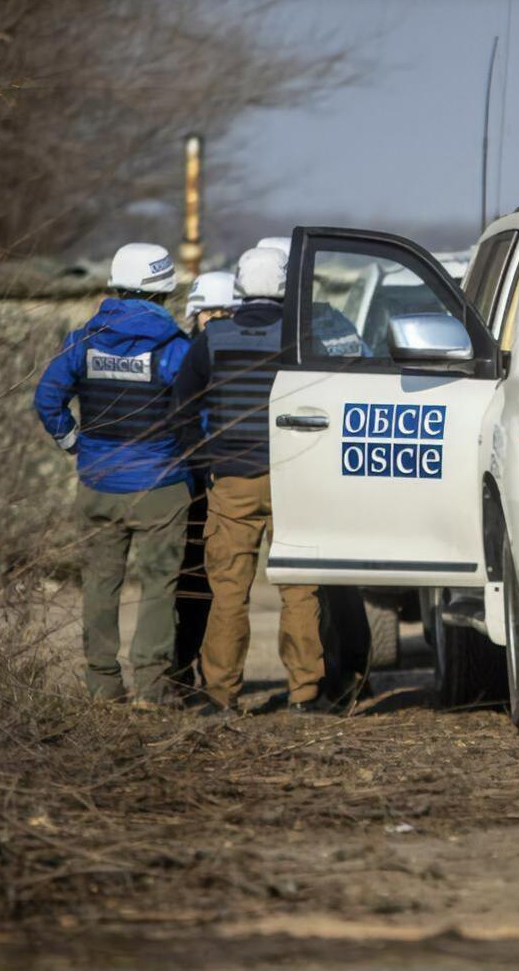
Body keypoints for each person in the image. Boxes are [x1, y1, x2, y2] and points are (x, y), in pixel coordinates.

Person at [172, 246, 330, 717]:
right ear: (286, 285)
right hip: (293, 480)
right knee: (300, 590)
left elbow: (181, 408)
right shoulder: (301, 335)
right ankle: (306, 693)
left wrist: (204, 463)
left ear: (239, 285)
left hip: (231, 482)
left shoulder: (213, 338)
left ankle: (221, 695)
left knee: (227, 592)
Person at [33, 242, 192, 705]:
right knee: (159, 586)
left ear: (115, 287)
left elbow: (47, 400)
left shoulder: (83, 340)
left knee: (101, 585)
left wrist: (74, 443)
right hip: (161, 485)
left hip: (98, 482)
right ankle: (152, 688)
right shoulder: (175, 348)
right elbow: (196, 416)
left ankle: (103, 686)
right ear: (164, 291)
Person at [171, 271, 238, 693]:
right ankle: (182, 668)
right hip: (193, 480)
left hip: (220, 477)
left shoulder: (230, 353)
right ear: (194, 315)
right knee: (191, 582)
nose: (214, 319)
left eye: (224, 312)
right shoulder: (185, 354)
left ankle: (196, 669)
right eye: (207, 312)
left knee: (214, 583)